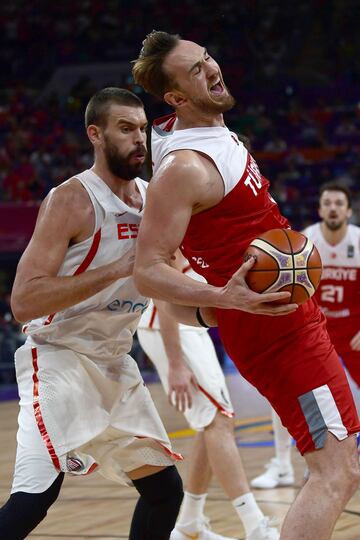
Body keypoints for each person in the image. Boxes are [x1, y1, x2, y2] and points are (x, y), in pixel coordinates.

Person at [131, 31, 360, 540]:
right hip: (276, 333)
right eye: (195, 70)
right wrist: (220, 298)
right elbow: (147, 268)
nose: (211, 69)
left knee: (336, 467)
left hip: (285, 318)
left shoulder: (213, 132)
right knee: (336, 471)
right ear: (175, 98)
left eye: (207, 57)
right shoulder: (186, 167)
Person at [0, 88, 185, 540]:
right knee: (34, 499)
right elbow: (23, 302)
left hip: (115, 361)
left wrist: (228, 297)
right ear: (95, 134)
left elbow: (175, 284)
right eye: (126, 128)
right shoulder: (71, 200)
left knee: (165, 491)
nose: (139, 139)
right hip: (58, 358)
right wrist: (119, 267)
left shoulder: (156, 200)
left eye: (142, 128)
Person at [137, 253, 278, 540]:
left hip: (190, 326)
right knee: (218, 420)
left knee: (212, 422)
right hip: (169, 328)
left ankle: (189, 523)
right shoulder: (174, 213)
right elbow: (165, 294)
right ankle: (255, 527)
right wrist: (176, 362)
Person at [251, 182, 360, 489]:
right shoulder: (305, 241)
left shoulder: (359, 241)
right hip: (317, 331)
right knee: (286, 393)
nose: (333, 208)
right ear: (320, 209)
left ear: (349, 210)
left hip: (354, 331)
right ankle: (283, 465)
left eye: (339, 203)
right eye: (328, 203)